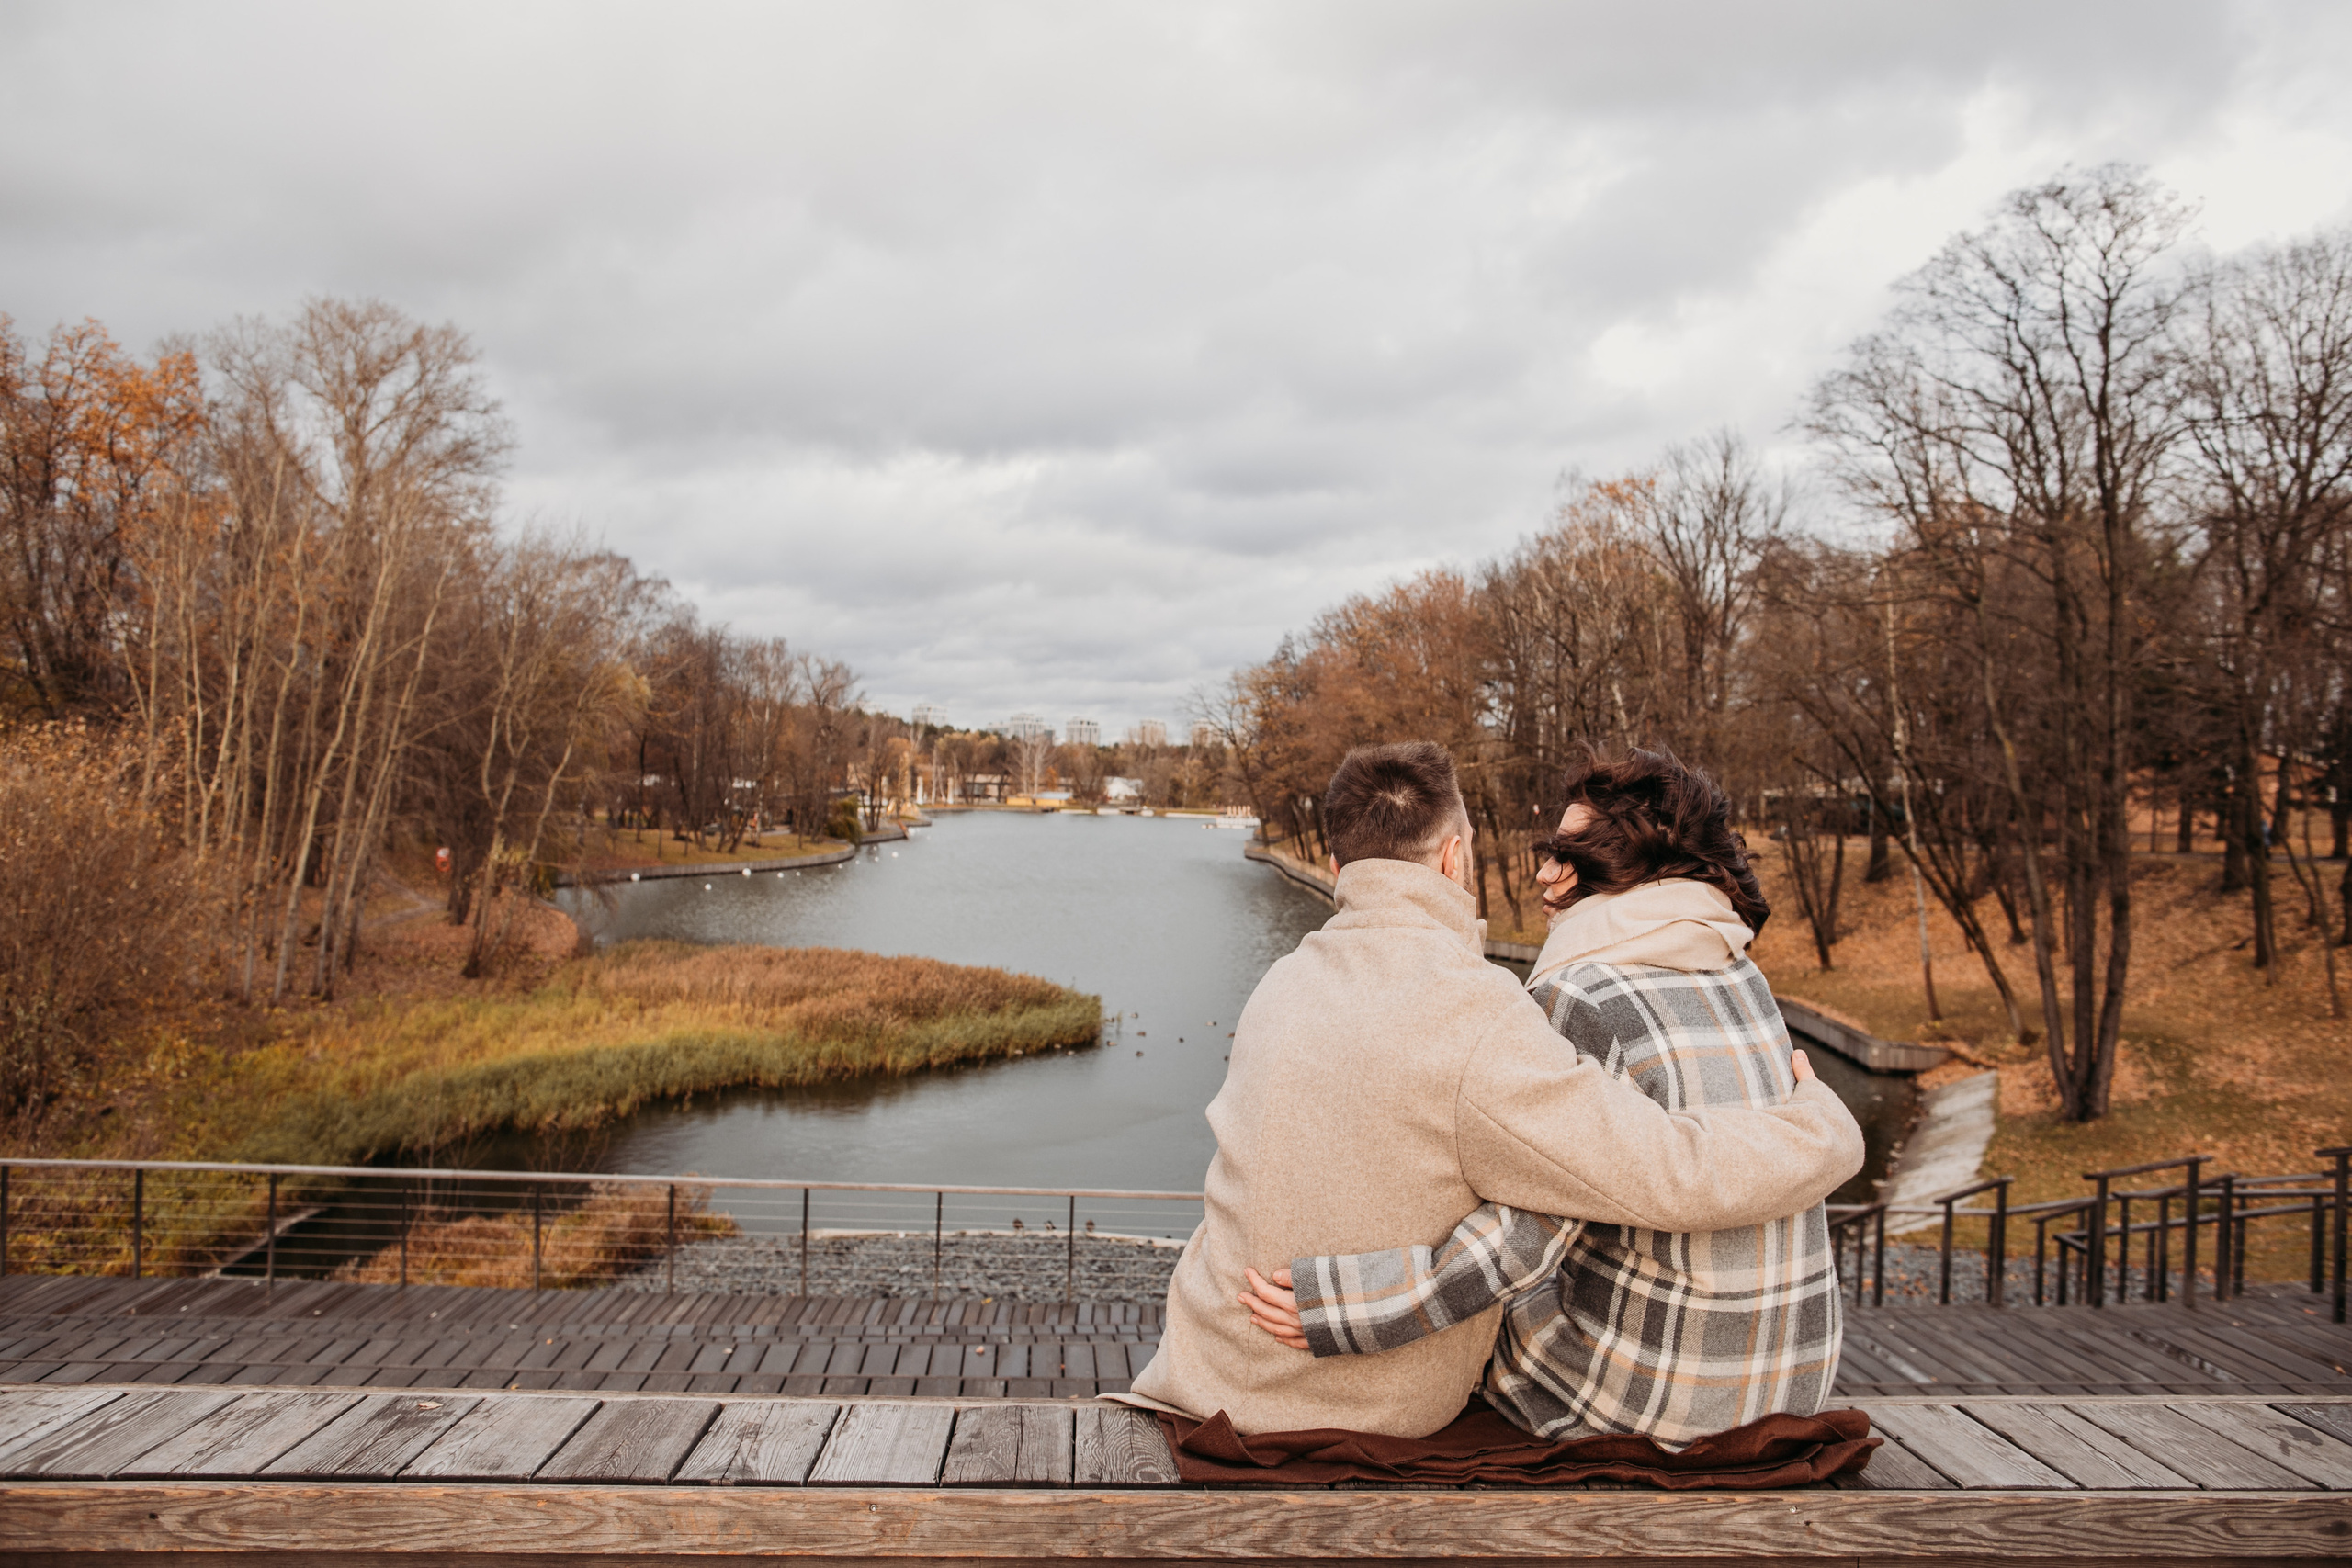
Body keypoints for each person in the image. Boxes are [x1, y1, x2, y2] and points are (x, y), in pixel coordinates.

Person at [1118, 741, 1861, 1438]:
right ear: (1454, 857)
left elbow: (1535, 1230)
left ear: (1339, 866)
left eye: (1566, 857)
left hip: (1648, 1393)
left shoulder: (1288, 985)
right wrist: (1815, 1120)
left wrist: (1339, 1299)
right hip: (1799, 1371)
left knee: (1505, 1212)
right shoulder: (1742, 972)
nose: (1542, 875)